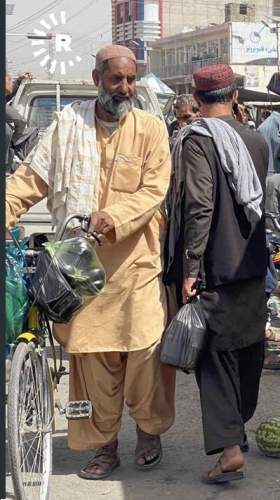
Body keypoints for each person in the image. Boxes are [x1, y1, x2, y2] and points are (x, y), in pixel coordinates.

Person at [5, 45, 174, 480]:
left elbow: (154, 190)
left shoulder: (151, 129)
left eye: (131, 79)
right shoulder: (68, 126)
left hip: (136, 264)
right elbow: (30, 180)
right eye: (116, 79)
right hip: (79, 271)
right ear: (97, 78)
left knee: (143, 353)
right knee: (92, 363)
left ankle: (149, 430)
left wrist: (113, 216)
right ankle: (104, 445)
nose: (125, 88)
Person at [164, 64, 269, 483]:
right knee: (248, 346)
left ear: (196, 97)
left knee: (217, 355)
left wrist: (191, 266)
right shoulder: (256, 140)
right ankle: (237, 429)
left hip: (216, 265)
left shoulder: (197, 141)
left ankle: (229, 451)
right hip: (252, 263)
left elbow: (199, 206)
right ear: (235, 95)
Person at [257, 109, 280, 174]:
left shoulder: (260, 127)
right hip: (271, 166)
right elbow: (278, 144)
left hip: (260, 163)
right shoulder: (274, 132)